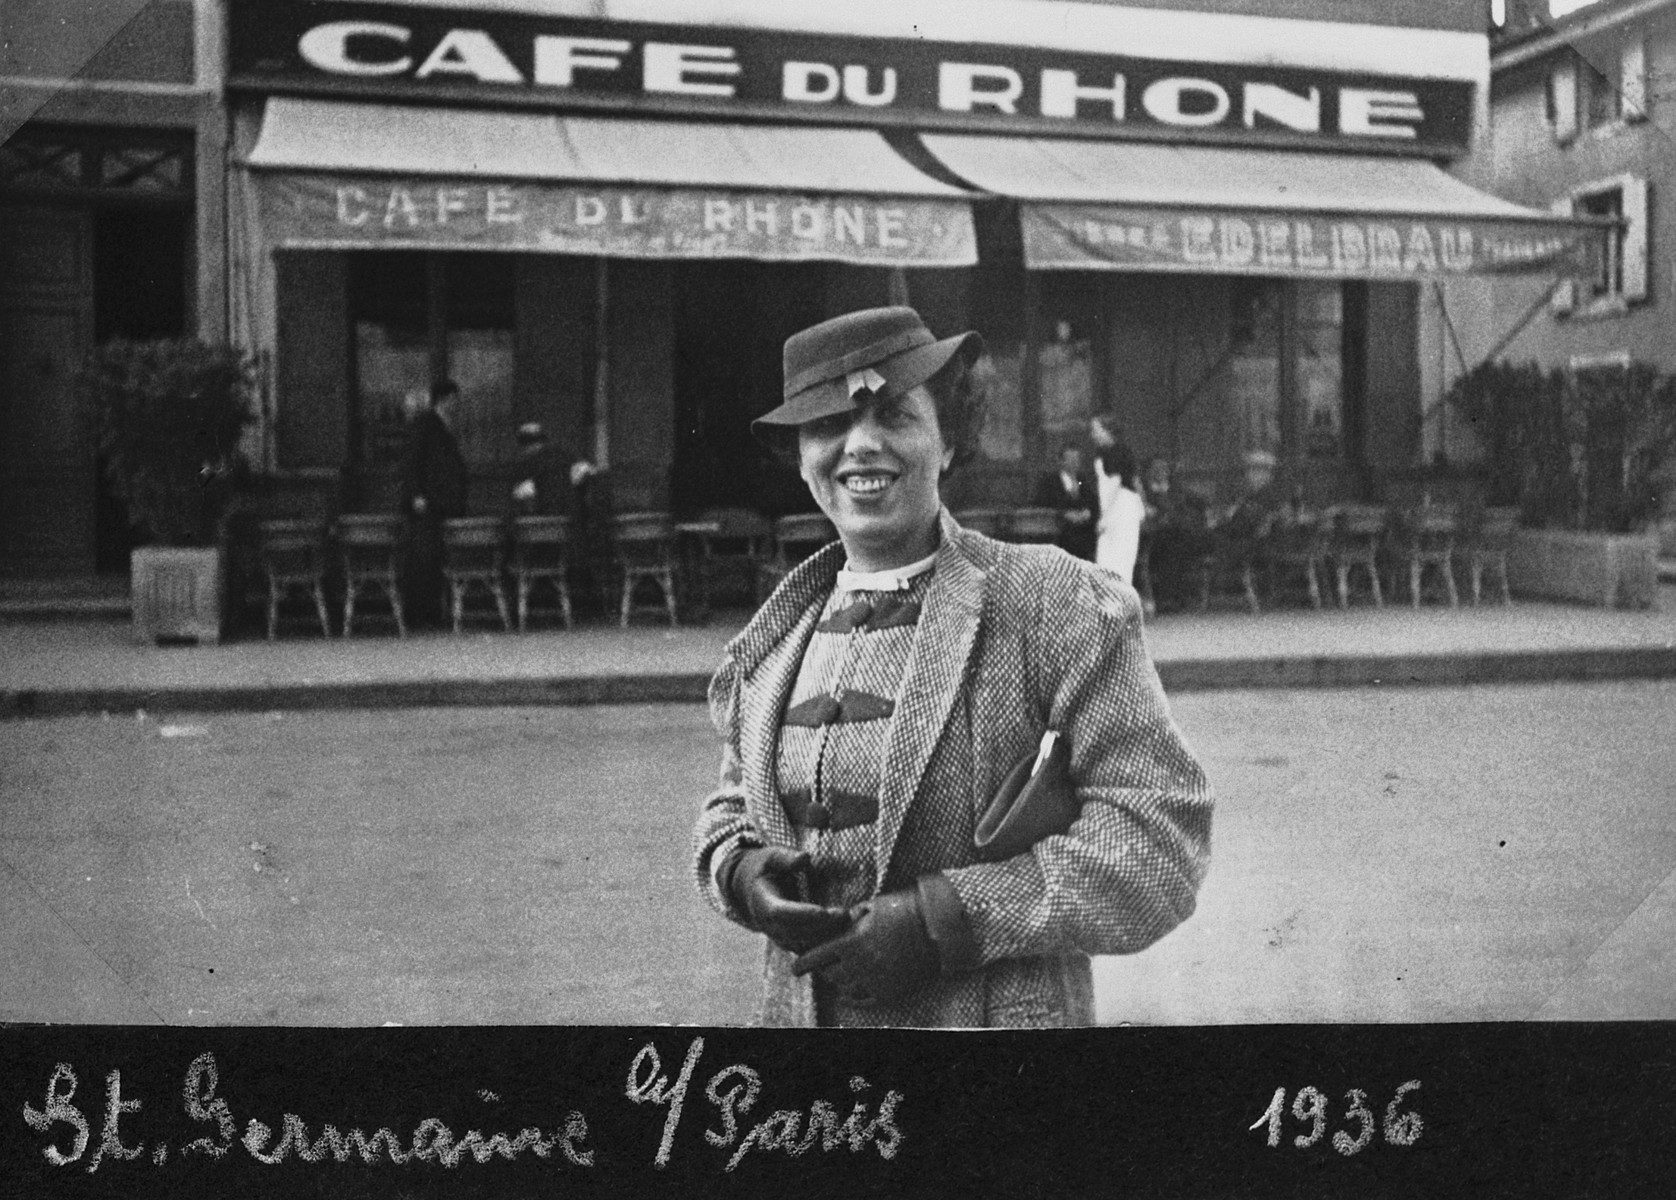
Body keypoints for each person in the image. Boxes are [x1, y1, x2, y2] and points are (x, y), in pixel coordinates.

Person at [690, 306, 1213, 1028]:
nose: (860, 446)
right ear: (801, 457)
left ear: (948, 441)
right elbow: (730, 810)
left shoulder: (1051, 605)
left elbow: (1160, 848)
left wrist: (949, 922)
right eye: (829, 426)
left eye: (896, 417)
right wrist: (741, 874)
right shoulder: (777, 638)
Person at [400, 379, 470, 626]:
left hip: (438, 501)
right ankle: (421, 612)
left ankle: (430, 611)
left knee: (432, 556)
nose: (457, 404)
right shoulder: (425, 424)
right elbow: (412, 460)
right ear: (446, 398)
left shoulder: (438, 424)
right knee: (423, 557)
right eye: (455, 399)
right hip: (428, 501)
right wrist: (416, 494)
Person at [1089, 415, 1145, 584]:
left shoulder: (1116, 452)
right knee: (1108, 558)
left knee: (1119, 558)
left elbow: (1115, 484)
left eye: (1096, 430)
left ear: (1107, 431)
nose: (1092, 434)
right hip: (1118, 506)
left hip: (1120, 507)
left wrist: (1104, 517)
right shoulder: (1106, 452)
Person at [1033, 444, 1099, 561]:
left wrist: (1087, 512)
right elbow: (1041, 503)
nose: (1075, 463)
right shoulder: (1050, 481)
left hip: (1083, 533)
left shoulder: (1081, 481)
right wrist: (1064, 514)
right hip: (1059, 531)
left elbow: (1092, 501)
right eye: (1071, 459)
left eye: (1077, 459)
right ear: (1061, 461)